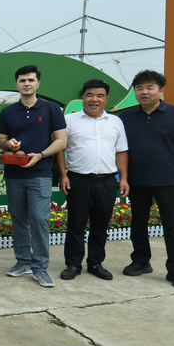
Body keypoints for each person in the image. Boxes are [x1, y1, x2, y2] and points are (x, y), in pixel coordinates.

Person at [118, 70, 174, 288]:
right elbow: (121, 150)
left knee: (173, 226)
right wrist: (123, 177)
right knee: (138, 223)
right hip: (137, 180)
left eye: (150, 87)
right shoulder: (125, 117)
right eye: (139, 88)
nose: (144, 92)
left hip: (169, 180)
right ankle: (141, 261)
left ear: (161, 91)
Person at [0, 65, 67, 288]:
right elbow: (1, 141)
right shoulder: (8, 112)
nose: (26, 83)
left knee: (39, 219)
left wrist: (40, 155)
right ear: (16, 84)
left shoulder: (51, 109)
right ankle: (23, 262)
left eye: (30, 80)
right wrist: (8, 144)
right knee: (18, 219)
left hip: (40, 172)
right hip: (14, 172)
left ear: (38, 84)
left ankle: (40, 267)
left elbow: (61, 141)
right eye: (21, 80)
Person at [55, 79, 129, 281]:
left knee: (100, 225)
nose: (94, 99)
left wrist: (123, 179)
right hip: (78, 180)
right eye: (89, 95)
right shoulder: (69, 120)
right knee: (75, 225)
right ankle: (73, 264)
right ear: (82, 97)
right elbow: (60, 149)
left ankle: (96, 263)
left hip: (107, 181)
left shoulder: (115, 122)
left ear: (106, 99)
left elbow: (121, 152)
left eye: (99, 95)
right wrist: (63, 175)